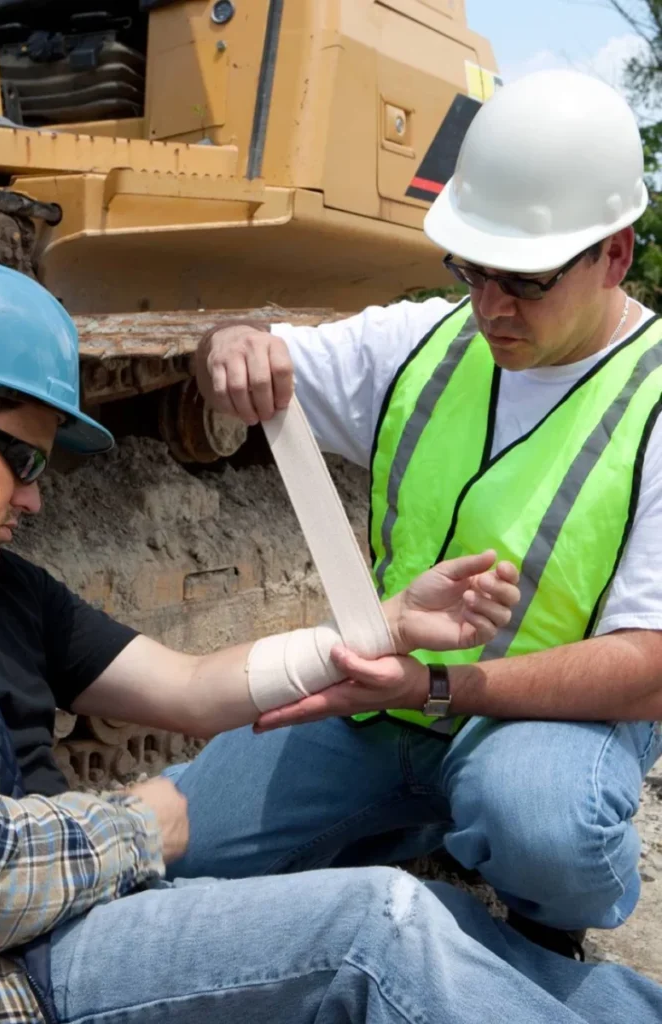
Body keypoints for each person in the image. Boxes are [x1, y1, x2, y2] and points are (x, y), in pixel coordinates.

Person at [168, 67, 662, 959]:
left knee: (544, 825)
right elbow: (244, 359)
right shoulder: (426, 342)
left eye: (525, 280)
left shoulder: (653, 402)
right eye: (471, 271)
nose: (490, 307)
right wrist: (227, 348)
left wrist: (441, 686)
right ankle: (416, 833)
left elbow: (653, 666)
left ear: (615, 255)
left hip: (539, 729)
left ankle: (541, 932)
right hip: (381, 705)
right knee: (180, 852)